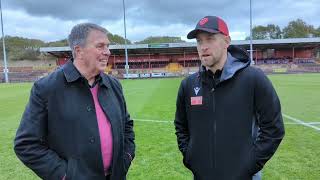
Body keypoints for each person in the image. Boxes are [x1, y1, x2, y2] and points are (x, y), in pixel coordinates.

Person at [14, 23, 135, 180]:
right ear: (79, 51)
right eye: (100, 46)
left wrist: (126, 157)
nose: (107, 52)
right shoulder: (46, 88)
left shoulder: (113, 85)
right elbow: (26, 144)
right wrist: (66, 175)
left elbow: (127, 126)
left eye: (108, 46)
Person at [174, 16, 285, 180]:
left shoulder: (254, 79)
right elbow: (181, 127)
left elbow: (274, 129)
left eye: (210, 39)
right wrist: (191, 157)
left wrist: (249, 165)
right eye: (199, 41)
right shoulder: (188, 85)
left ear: (227, 41)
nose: (203, 47)